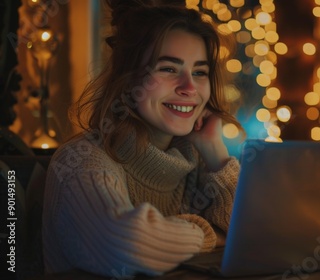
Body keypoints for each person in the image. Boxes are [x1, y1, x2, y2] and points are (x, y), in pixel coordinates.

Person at [42, 0, 244, 277]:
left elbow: (253, 237)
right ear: (128, 80)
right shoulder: (80, 162)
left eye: (199, 72)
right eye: (168, 69)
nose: (189, 88)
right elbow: (127, 247)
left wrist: (216, 154)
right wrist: (210, 234)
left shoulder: (193, 162)